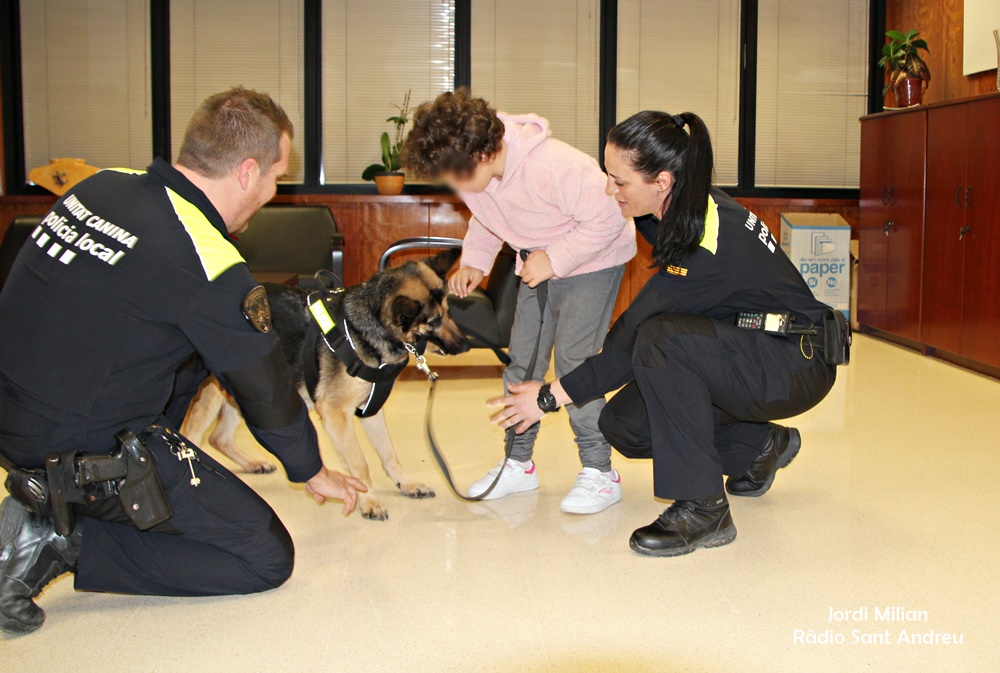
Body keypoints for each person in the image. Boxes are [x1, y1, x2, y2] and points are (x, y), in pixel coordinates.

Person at [0, 87, 367, 636]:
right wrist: (310, 469)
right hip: (75, 448)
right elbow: (265, 388)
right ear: (246, 172)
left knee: (194, 343)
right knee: (264, 557)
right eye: (275, 177)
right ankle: (64, 535)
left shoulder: (103, 186)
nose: (273, 190)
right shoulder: (205, 256)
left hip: (15, 415)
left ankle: (68, 503)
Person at [488, 110, 841, 556]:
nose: (608, 189)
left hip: (796, 360)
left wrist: (546, 398)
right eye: (607, 175)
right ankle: (758, 446)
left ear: (662, 181)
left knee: (662, 340)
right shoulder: (673, 207)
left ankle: (702, 508)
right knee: (625, 426)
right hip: (747, 345)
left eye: (619, 182)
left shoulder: (707, 242)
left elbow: (628, 339)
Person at [403, 89, 636, 514]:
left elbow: (611, 216)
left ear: (487, 151)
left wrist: (556, 258)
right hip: (538, 264)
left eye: (458, 176)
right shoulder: (475, 169)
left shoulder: (554, 166)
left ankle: (600, 472)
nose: (456, 187)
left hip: (595, 260)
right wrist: (476, 261)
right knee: (522, 361)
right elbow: (488, 214)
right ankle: (518, 462)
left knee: (574, 361)